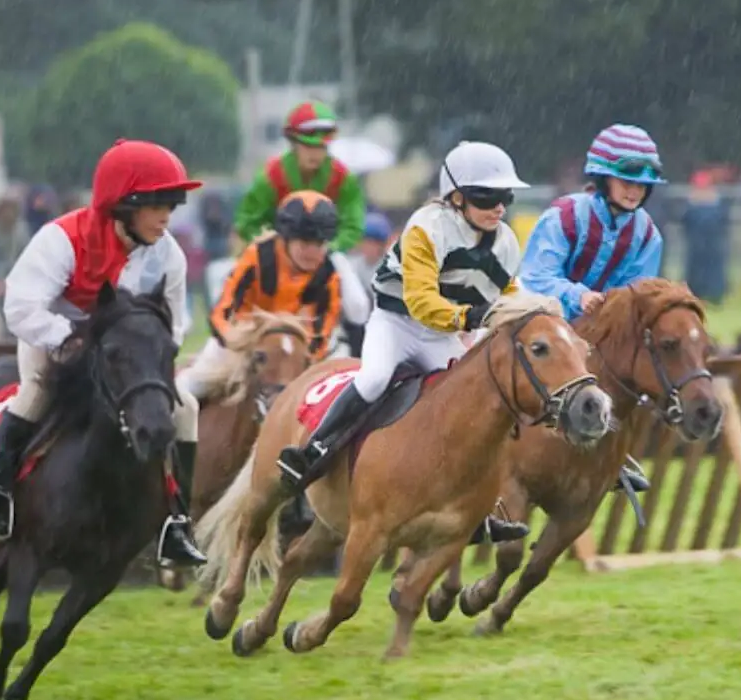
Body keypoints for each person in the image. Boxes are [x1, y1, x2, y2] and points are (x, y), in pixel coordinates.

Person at [0, 139, 207, 566]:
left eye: (172, 203)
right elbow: (20, 307)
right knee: (34, 392)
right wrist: (72, 340)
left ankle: (177, 524)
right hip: (57, 342)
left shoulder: (169, 255)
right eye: (156, 204)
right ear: (123, 206)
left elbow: (175, 322)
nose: (167, 216)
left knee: (185, 408)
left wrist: (155, 355)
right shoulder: (61, 239)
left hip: (125, 360)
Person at [276, 141, 535, 544]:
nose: (500, 207)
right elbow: (420, 301)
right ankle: (313, 453)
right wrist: (471, 317)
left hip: (444, 334)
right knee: (376, 378)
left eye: (506, 197)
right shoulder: (426, 227)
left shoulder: (505, 241)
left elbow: (509, 292)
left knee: (473, 400)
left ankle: (477, 505)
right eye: (488, 197)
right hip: (397, 323)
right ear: (457, 196)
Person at [518, 123, 668, 493]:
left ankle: (614, 453)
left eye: (642, 185)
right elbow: (537, 276)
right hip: (537, 315)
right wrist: (578, 296)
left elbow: (632, 296)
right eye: (626, 181)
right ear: (602, 178)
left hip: (590, 334)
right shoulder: (564, 216)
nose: (635, 191)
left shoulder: (648, 235)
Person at [179, 190, 342, 405]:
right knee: (186, 389)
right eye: (304, 243)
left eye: (319, 244)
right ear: (285, 238)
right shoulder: (256, 257)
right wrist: (238, 341)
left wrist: (300, 354)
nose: (313, 252)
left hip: (293, 352)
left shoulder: (328, 275)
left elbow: (321, 336)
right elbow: (223, 312)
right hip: (240, 343)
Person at [235, 100, 366, 252]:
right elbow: (246, 223)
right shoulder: (270, 177)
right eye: (308, 145)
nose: (315, 153)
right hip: (276, 259)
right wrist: (274, 245)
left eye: (321, 146)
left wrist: (331, 248)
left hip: (327, 257)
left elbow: (353, 225)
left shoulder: (342, 178)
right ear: (293, 143)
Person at [339, 210, 393, 357]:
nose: (366, 247)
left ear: (381, 245)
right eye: (365, 241)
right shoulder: (353, 263)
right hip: (358, 325)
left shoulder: (390, 266)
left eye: (372, 243)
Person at [681, 171, 730, 304]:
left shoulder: (717, 203)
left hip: (713, 244)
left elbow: (723, 223)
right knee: (695, 271)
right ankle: (696, 294)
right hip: (696, 244)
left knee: (713, 271)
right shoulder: (691, 204)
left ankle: (715, 295)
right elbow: (686, 223)